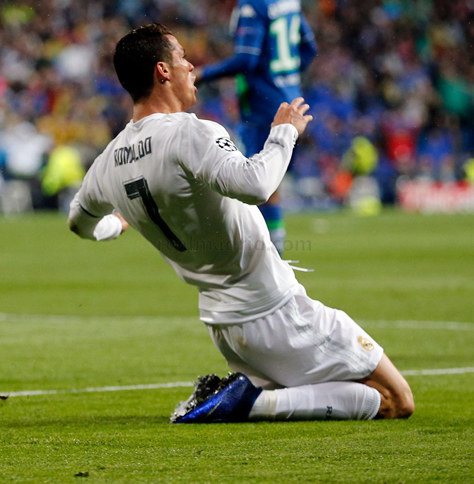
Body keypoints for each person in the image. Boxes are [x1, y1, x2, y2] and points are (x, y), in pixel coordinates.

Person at [68, 24, 414, 424]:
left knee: (316, 395)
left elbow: (79, 224)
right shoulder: (189, 131)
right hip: (276, 312)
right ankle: (249, 403)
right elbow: (256, 185)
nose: (191, 65)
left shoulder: (107, 162)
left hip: (226, 328)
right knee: (395, 399)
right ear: (163, 70)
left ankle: (245, 396)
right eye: (182, 57)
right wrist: (284, 132)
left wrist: (116, 223)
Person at [194, 0, 318, 255]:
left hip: (262, 104)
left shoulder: (253, 5)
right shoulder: (287, 3)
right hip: (289, 98)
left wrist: (202, 73)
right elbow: (309, 49)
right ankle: (271, 256)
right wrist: (286, 78)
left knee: (262, 181)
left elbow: (246, 59)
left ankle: (272, 258)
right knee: (271, 181)